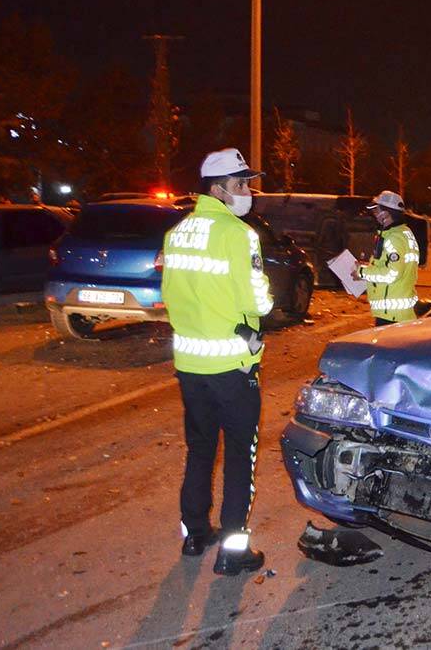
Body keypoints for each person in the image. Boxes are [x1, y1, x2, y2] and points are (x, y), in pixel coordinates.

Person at [162, 147, 273, 576]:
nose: (248, 191)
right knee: (240, 456)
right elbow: (256, 299)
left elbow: (171, 296)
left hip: (191, 365)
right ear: (217, 188)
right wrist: (265, 299)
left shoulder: (177, 233)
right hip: (233, 366)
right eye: (241, 183)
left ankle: (195, 534)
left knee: (200, 450)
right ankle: (233, 551)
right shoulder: (238, 235)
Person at [353, 191, 420, 325]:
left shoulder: (394, 238)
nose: (375, 215)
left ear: (386, 213)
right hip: (396, 313)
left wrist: (362, 272)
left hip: (391, 315)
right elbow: (386, 264)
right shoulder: (403, 233)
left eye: (377, 211)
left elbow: (391, 273)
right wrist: (365, 268)